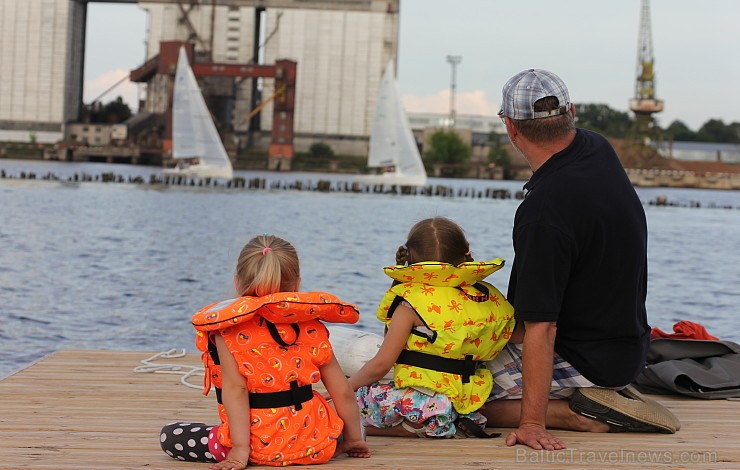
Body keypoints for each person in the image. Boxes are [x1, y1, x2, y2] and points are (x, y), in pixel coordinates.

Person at [482, 69, 679, 450]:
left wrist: (533, 424)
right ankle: (605, 393)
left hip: (584, 362)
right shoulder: (596, 147)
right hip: (627, 351)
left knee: (442, 396)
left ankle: (571, 411)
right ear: (571, 111)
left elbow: (542, 328)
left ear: (510, 127)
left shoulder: (544, 212)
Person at [160, 235, 370, 468]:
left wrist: (240, 450)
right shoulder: (312, 327)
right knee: (342, 424)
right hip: (315, 444)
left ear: (238, 282)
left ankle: (238, 446)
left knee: (171, 436)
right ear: (297, 284)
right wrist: (353, 439)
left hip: (257, 448)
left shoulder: (228, 330)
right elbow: (342, 392)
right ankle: (346, 436)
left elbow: (236, 390)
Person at [347, 217, 518, 438]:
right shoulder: (484, 295)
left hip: (423, 403)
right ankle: (444, 422)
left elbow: (381, 364)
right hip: (467, 400)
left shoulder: (410, 305)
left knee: (360, 394)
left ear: (410, 259)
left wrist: (343, 388)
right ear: (466, 251)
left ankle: (402, 428)